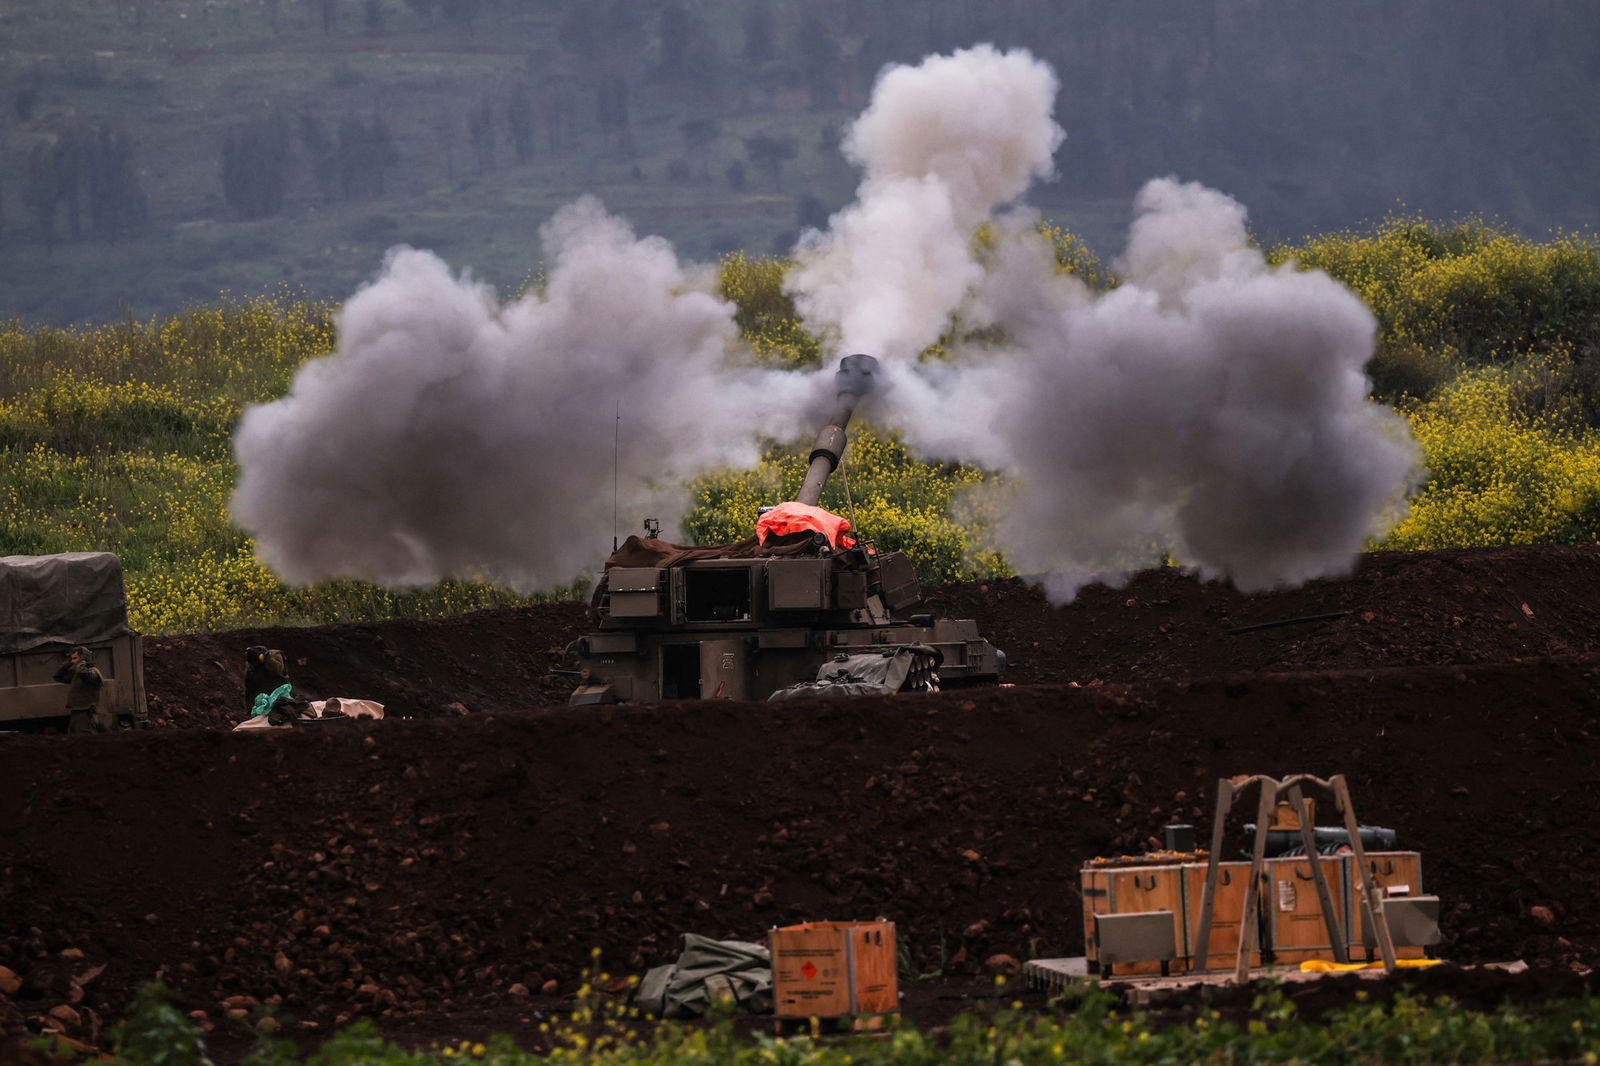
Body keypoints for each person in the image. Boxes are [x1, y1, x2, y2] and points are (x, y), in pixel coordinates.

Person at [243, 645, 311, 725]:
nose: (253, 665)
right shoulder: (250, 666)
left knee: (284, 713)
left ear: (261, 658)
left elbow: (279, 671)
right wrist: (249, 709)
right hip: (262, 697)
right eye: (251, 663)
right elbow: (249, 689)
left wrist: (267, 657)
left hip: (279, 693)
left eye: (254, 663)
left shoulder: (275, 656)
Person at [54, 646, 104, 734]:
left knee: (86, 740)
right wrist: (69, 662)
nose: (72, 661)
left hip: (86, 713)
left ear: (83, 659)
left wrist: (82, 662)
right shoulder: (77, 674)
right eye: (71, 659)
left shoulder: (93, 672)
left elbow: (83, 674)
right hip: (77, 712)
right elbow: (58, 677)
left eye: (74, 658)